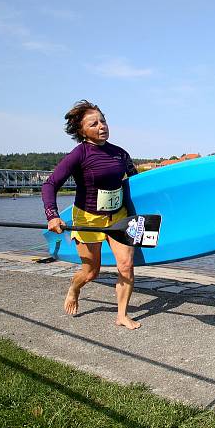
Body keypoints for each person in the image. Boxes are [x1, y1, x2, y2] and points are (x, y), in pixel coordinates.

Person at [43, 100, 141, 330]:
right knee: (91, 271)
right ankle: (74, 288)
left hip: (119, 216)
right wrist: (52, 215)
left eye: (103, 121)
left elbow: (138, 185)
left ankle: (122, 315)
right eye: (94, 123)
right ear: (81, 131)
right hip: (88, 217)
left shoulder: (120, 154)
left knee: (126, 265)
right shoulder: (79, 154)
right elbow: (50, 185)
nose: (102, 126)